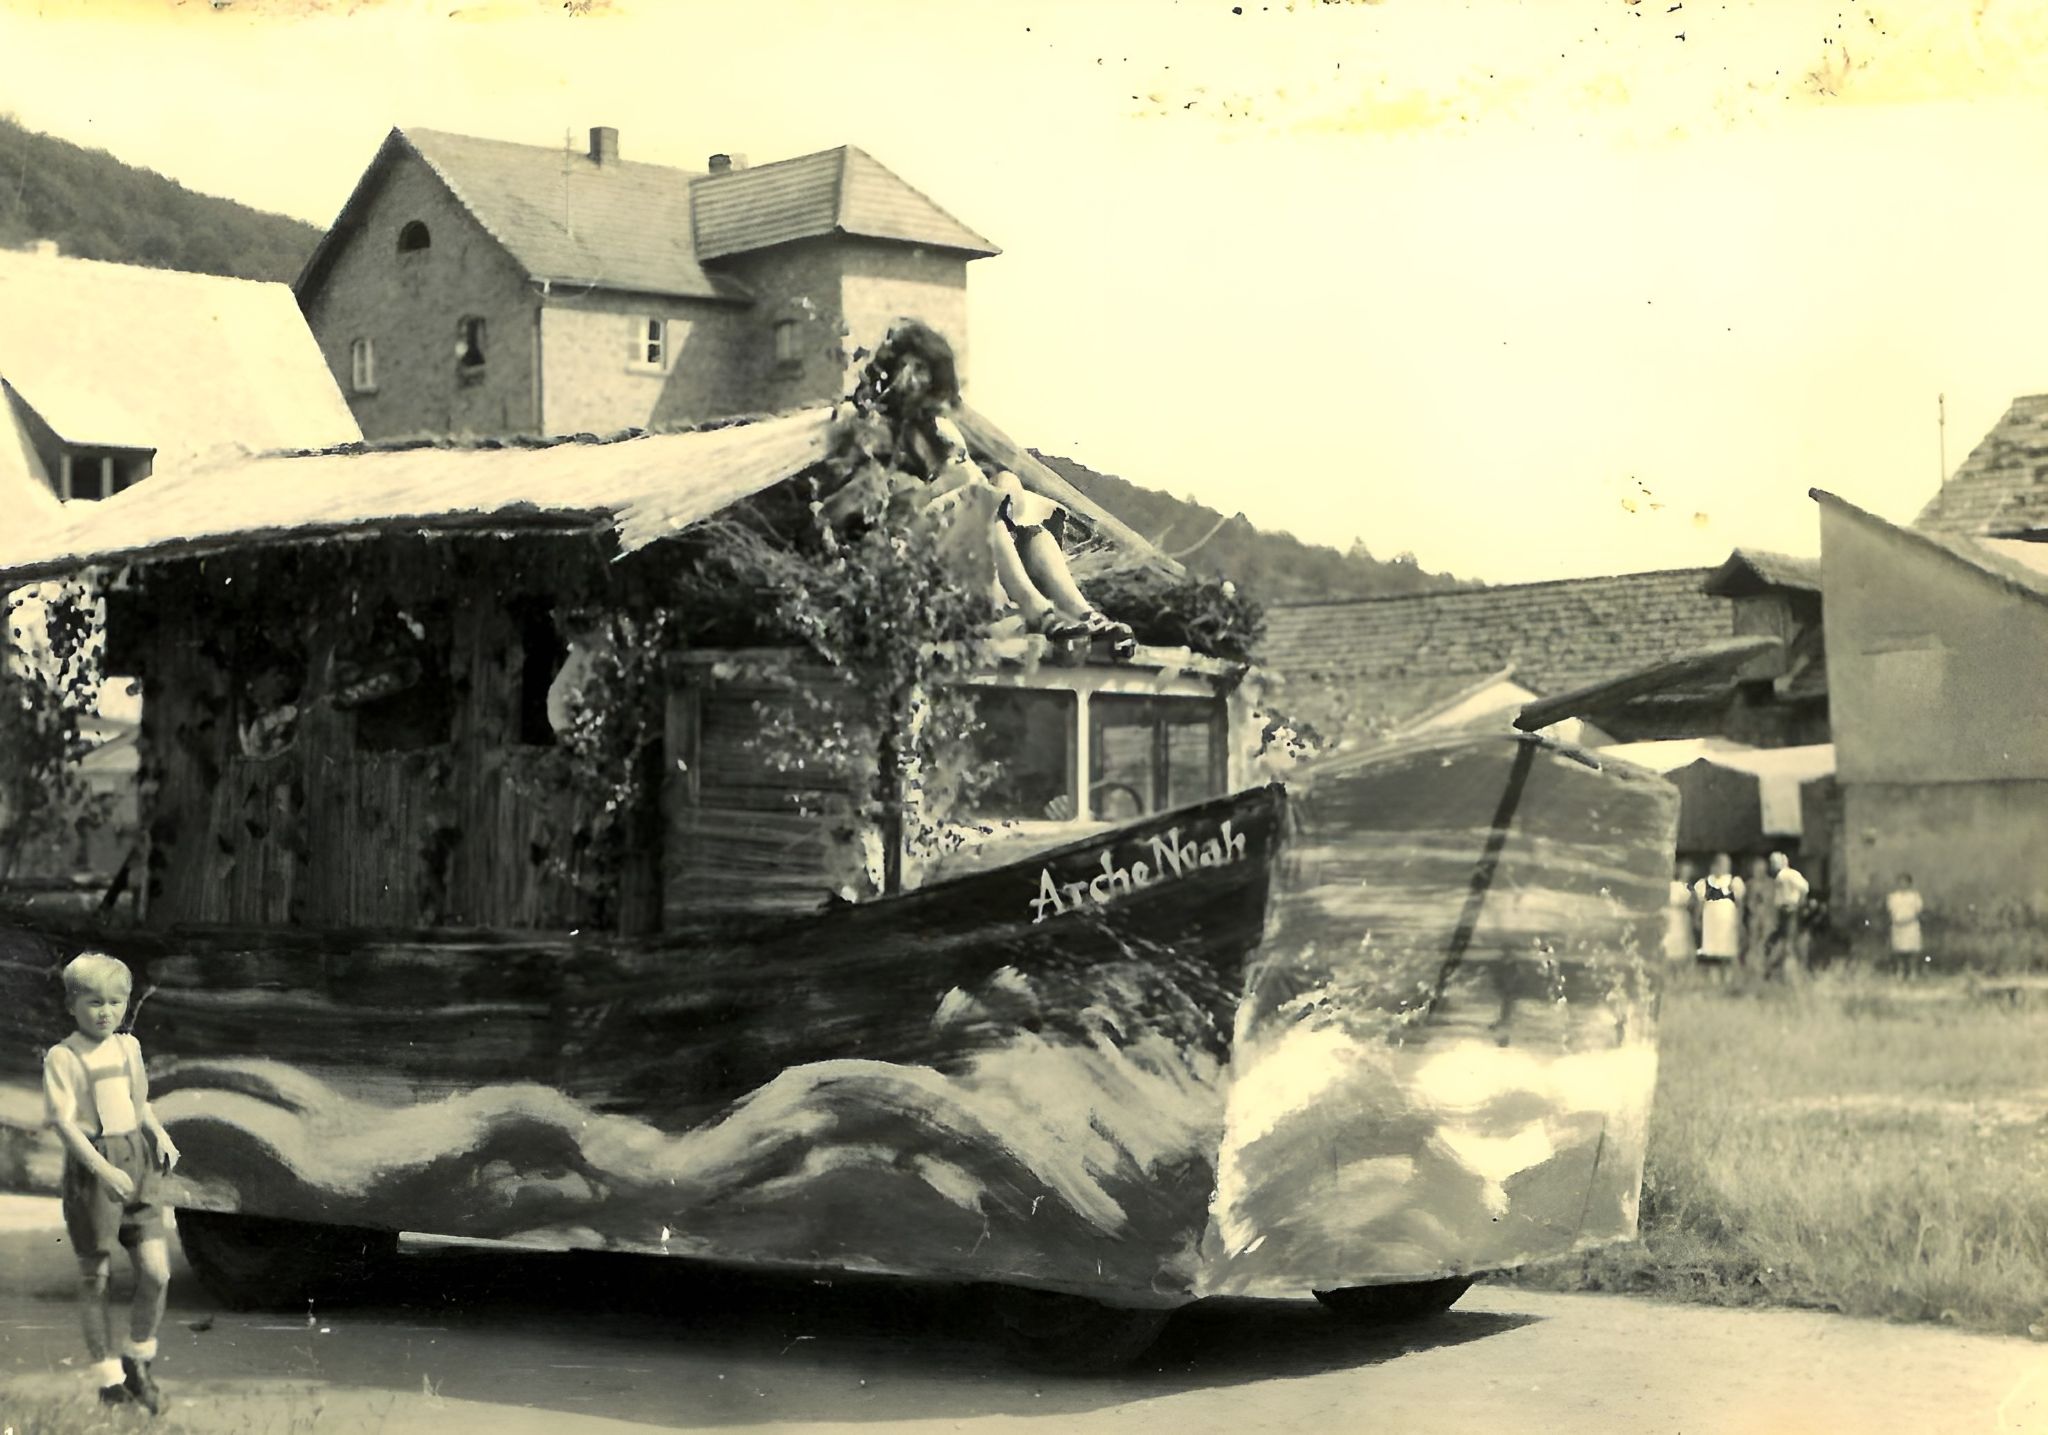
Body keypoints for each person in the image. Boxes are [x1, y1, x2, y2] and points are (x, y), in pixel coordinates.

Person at [826, 320, 1136, 658]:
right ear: (888, 371)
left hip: (957, 538)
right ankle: (1038, 613)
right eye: (907, 368)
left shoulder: (943, 432)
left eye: (925, 370)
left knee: (1035, 535)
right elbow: (846, 507)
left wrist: (1001, 485)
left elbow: (975, 481)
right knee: (977, 497)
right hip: (906, 550)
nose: (915, 379)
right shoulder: (870, 427)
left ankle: (1085, 616)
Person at [45, 952, 179, 1414]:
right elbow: (63, 1125)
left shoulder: (129, 1048)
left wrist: (159, 1135)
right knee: (95, 1276)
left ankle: (138, 1358)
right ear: (72, 1004)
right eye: (94, 1002)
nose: (106, 1012)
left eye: (116, 1003)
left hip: (136, 1162)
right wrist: (104, 1171)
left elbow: (140, 1104)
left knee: (157, 1272)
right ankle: (108, 1379)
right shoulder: (63, 1057)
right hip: (94, 1167)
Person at [1692, 853, 1744, 979]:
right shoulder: (1705, 883)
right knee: (1712, 950)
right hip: (1711, 921)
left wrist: (1740, 920)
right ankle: (1713, 980)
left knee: (1728, 949)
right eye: (1720, 864)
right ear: (1714, 865)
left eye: (1725, 864)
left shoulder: (1734, 882)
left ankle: (1728, 979)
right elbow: (1700, 904)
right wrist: (1697, 918)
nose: (1722, 867)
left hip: (1728, 921)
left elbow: (1740, 904)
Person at [1763, 851, 1809, 981]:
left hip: (1790, 910)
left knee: (1787, 941)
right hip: (1781, 911)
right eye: (1772, 862)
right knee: (1779, 939)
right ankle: (1775, 970)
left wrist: (1799, 904)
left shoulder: (1789, 875)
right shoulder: (1777, 878)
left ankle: (1786, 973)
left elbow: (1804, 888)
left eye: (1776, 862)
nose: (1774, 865)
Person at [1886, 872, 1928, 980]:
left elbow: (1918, 911)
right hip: (1898, 925)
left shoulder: (1914, 897)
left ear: (1909, 883)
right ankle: (1900, 971)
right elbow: (1891, 910)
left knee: (1912, 949)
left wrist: (1909, 919)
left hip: (1910, 925)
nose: (1902, 884)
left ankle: (1912, 972)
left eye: (1905, 882)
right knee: (1899, 949)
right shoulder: (1893, 897)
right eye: (1900, 882)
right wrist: (1897, 920)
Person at [1664, 860, 1697, 962]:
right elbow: (1670, 901)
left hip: (1684, 917)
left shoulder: (1690, 888)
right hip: (1674, 916)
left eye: (1689, 872)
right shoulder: (1673, 885)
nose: (1686, 874)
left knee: (1685, 943)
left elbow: (1693, 904)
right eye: (1685, 871)